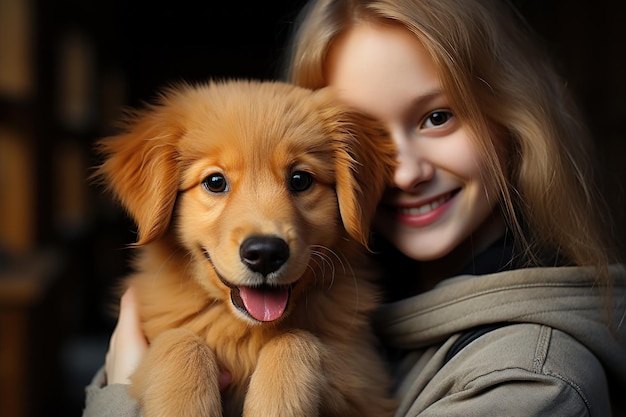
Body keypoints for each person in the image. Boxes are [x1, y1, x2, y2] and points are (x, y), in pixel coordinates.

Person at [83, 0, 626, 415]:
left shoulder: (531, 381)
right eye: (215, 182)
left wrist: (119, 398)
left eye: (437, 117)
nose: (399, 169)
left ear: (513, 117)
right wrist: (173, 362)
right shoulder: (382, 281)